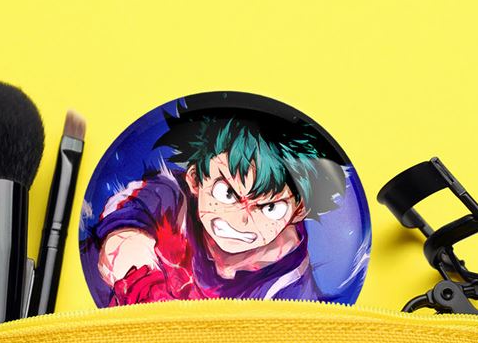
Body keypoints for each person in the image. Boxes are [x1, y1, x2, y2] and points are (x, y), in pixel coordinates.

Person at [83, 111, 347, 304]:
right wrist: (139, 275)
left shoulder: (289, 285)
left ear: (298, 210)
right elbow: (121, 236)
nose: (241, 221)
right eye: (228, 193)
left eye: (269, 208)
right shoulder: (169, 196)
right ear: (195, 179)